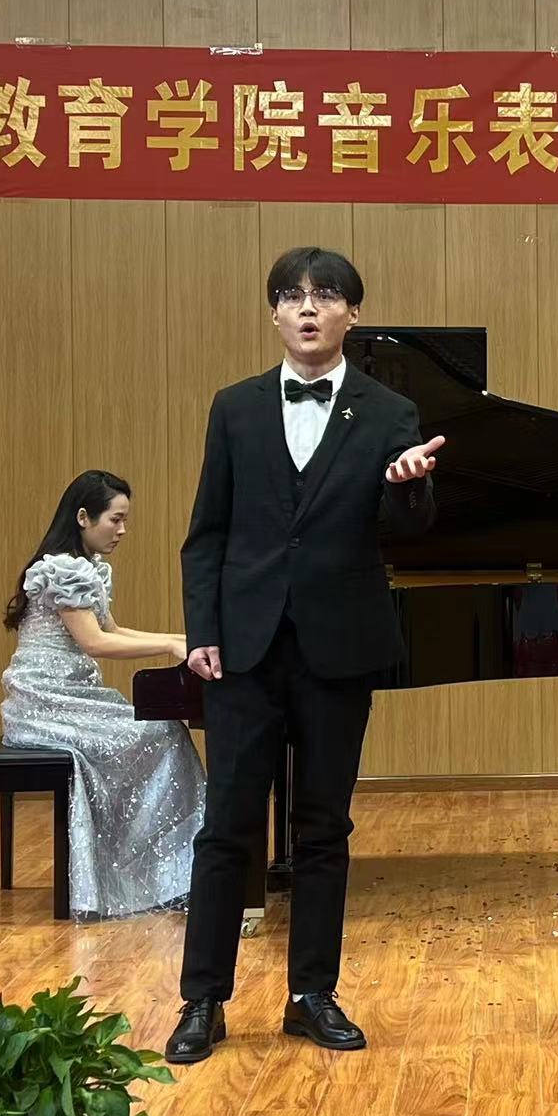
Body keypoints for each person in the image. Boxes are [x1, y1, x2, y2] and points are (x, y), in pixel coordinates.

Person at [167, 247, 442, 1063]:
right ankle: (202, 1000)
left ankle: (311, 995)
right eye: (291, 295)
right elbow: (207, 533)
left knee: (323, 828)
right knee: (227, 828)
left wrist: (409, 485)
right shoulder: (235, 407)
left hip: (338, 647)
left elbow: (411, 531)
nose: (308, 308)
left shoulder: (390, 412)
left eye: (325, 295)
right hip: (244, 650)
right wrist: (202, 629)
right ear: (275, 314)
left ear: (354, 313)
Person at [1, 469, 205, 921]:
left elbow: (113, 629)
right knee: (163, 735)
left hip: (74, 695)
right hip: (45, 701)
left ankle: (167, 868)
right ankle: (159, 871)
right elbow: (95, 643)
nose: (122, 530)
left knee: (164, 731)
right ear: (83, 517)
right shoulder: (62, 568)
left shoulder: (88, 569)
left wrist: (182, 638)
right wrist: (170, 646)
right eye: (116, 519)